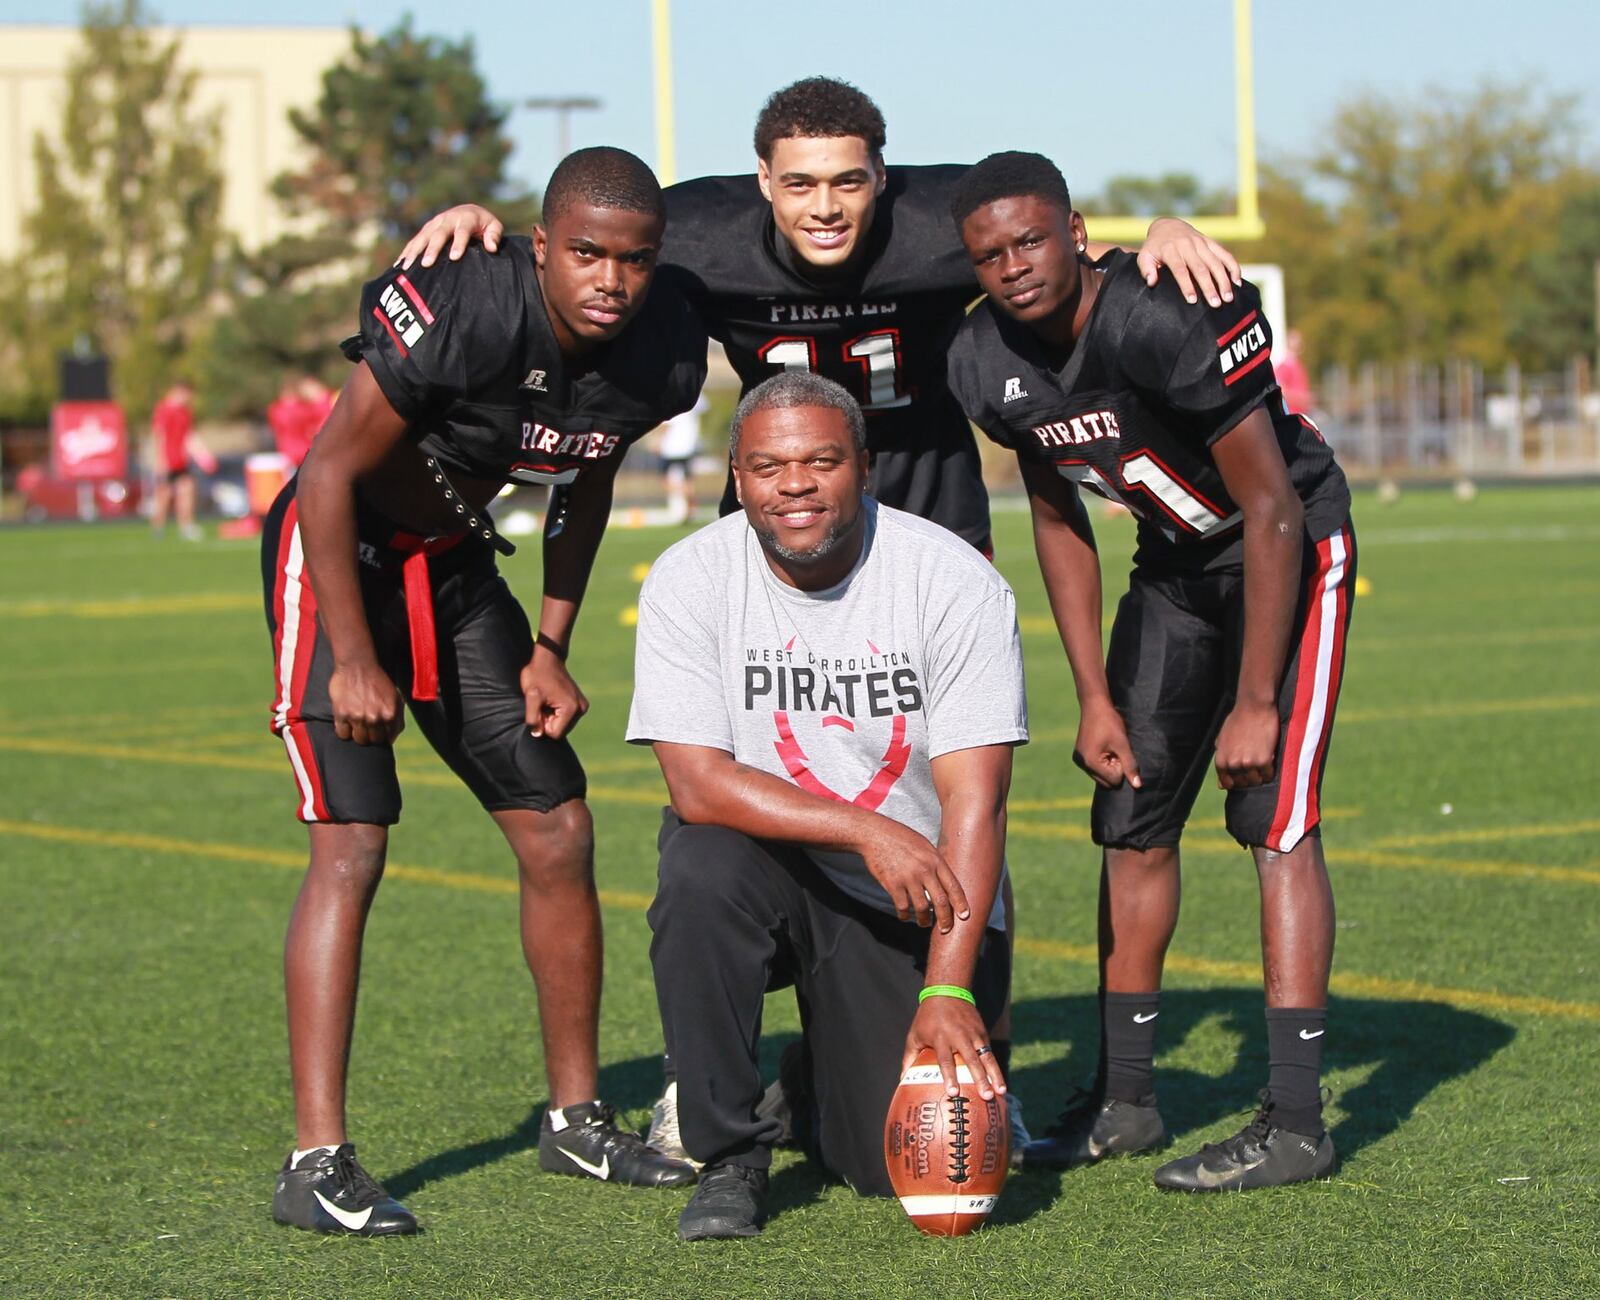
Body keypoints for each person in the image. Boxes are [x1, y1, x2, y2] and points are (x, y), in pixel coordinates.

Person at [399, 75, 1243, 1156]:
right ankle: (704, 1073)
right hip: (776, 533)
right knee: (739, 802)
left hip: (927, 526)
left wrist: (1153, 234)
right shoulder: (700, 227)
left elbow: (1038, 232)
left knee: (959, 797)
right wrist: (485, 228)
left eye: (848, 179)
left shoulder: (935, 218)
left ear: (883, 179)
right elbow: (586, 234)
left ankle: (976, 1051)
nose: (827, 205)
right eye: (799, 182)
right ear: (761, 184)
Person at [261, 147, 703, 1237]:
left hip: (455, 563)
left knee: (558, 827)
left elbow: (584, 487)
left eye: (634, 259)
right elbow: (325, 471)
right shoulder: (471, 298)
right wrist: (354, 654)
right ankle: (315, 1159)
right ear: (538, 246)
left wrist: (550, 643)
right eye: (588, 253)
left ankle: (574, 1117)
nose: (611, 279)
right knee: (353, 841)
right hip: (338, 556)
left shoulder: (658, 346)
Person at [944, 152, 1356, 1192]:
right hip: (1172, 568)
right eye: (989, 254)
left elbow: (1270, 510)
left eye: (1030, 240)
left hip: (1289, 550)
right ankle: (1124, 1100)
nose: (1014, 266)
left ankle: (1297, 1121)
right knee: (1127, 816)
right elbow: (1056, 516)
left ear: (1077, 232)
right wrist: (1090, 693)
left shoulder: (1162, 314)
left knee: (1275, 820)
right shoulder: (982, 356)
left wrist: (1255, 700)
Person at [627, 372, 1027, 1239]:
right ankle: (728, 1153)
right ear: (736, 477)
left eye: (821, 461)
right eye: (769, 466)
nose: (795, 484)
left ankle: (813, 1080)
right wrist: (860, 826)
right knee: (698, 865)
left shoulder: (952, 581)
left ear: (866, 467)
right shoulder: (690, 577)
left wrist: (949, 985)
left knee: (886, 1171)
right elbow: (696, 783)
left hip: (910, 888)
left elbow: (977, 805)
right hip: (762, 860)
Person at [150, 381, 212, 539]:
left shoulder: (185, 412)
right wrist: (160, 461)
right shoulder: (164, 410)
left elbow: (189, 436)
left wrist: (203, 455)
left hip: (181, 461)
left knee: (187, 491)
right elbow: (160, 436)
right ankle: (158, 528)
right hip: (167, 460)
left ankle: (186, 526)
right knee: (164, 496)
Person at [658, 391, 708, 523]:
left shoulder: (674, 400)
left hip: (672, 448)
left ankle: (685, 499)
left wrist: (658, 442)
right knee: (688, 480)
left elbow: (666, 425)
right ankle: (691, 505)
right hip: (689, 446)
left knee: (664, 480)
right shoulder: (696, 396)